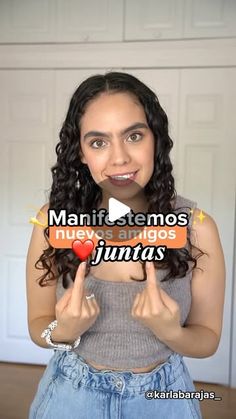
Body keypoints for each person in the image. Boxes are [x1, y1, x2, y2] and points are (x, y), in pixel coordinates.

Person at [26, 72, 225, 419]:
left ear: (156, 139)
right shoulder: (50, 221)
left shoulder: (199, 228)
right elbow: (37, 325)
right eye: (98, 142)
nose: (119, 158)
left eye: (134, 135)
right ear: (81, 153)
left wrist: (170, 333)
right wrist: (64, 332)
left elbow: (207, 338)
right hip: (69, 396)